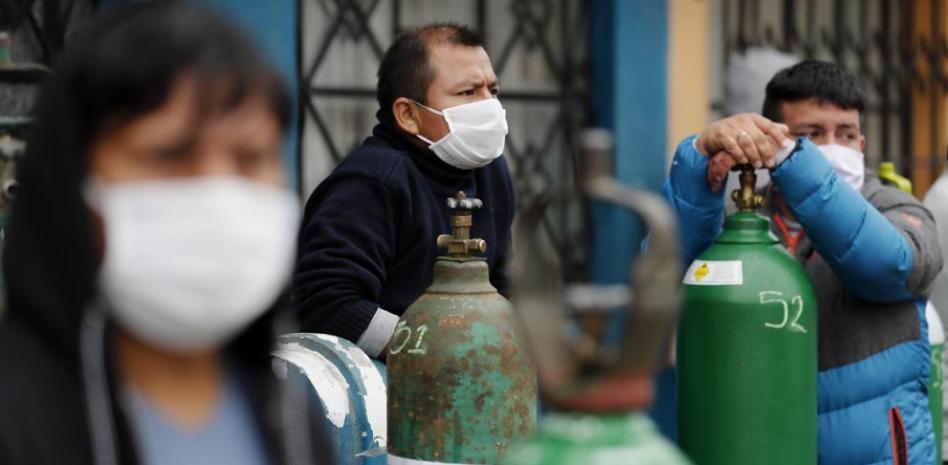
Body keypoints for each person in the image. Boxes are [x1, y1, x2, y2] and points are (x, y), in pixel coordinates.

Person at [0, 2, 332, 464]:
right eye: (170, 155)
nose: (219, 191)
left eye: (250, 157)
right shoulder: (17, 422)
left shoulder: (292, 423)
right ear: (73, 184)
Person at [665, 60, 942, 464]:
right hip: (760, 443)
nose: (830, 147)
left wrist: (797, 163)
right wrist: (698, 166)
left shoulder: (893, 208)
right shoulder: (737, 221)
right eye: (811, 134)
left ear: (862, 145)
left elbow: (893, 267)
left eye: (845, 134)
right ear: (771, 135)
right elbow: (667, 277)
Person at [292, 24, 515, 359]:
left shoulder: (490, 171)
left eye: (492, 91)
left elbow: (500, 283)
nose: (489, 106)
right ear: (408, 115)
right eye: (468, 93)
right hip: (383, 386)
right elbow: (329, 303)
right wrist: (434, 354)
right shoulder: (372, 181)